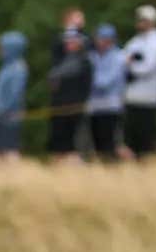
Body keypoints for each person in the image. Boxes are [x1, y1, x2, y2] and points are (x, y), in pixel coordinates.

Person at [121, 6, 156, 157]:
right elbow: (123, 59)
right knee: (130, 136)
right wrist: (130, 63)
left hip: (148, 97)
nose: (140, 22)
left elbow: (148, 66)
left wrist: (131, 65)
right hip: (131, 96)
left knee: (145, 137)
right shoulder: (136, 40)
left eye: (144, 20)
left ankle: (146, 164)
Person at [46, 28, 92, 161]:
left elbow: (86, 88)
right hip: (58, 108)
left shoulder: (85, 62)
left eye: (72, 41)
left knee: (73, 145)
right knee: (58, 144)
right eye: (67, 41)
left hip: (74, 109)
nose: (68, 44)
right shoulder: (59, 62)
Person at [86, 24, 127, 160]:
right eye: (99, 38)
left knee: (109, 145)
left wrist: (85, 82)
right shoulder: (93, 56)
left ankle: (113, 172)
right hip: (94, 107)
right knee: (97, 145)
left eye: (104, 39)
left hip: (111, 107)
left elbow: (104, 82)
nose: (100, 42)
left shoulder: (119, 57)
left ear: (111, 40)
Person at [0, 31, 28, 161]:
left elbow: (14, 95)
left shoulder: (18, 68)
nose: (0, 50)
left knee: (10, 150)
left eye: (3, 47)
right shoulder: (6, 67)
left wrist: (0, 110)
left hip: (9, 117)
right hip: (0, 117)